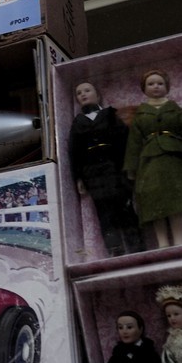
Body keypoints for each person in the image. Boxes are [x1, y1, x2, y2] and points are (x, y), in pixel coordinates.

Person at [123, 70, 182, 249]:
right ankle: (163, 243)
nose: (156, 87)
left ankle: (179, 239)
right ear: (144, 89)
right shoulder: (141, 115)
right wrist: (131, 168)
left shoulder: (175, 110)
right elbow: (134, 143)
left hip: (173, 160)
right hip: (149, 163)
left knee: (177, 201)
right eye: (151, 84)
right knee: (155, 203)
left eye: (160, 83)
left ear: (167, 87)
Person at [68, 80, 142, 253]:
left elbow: (124, 141)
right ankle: (115, 248)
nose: (83, 94)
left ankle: (137, 245)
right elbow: (74, 152)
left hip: (115, 168)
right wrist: (78, 177)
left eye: (87, 90)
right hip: (93, 173)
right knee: (104, 211)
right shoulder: (77, 123)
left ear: (98, 95)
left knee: (125, 206)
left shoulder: (110, 115)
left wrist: (130, 167)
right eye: (79, 93)